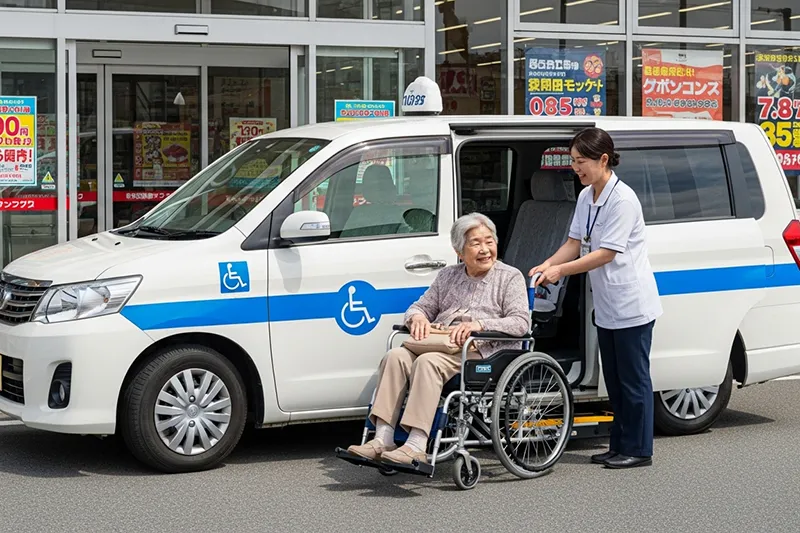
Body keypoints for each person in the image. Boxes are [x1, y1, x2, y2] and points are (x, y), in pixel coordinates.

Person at [346, 213, 531, 466]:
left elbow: (521, 322)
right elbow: (418, 306)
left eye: (489, 241)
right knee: (396, 356)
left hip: (484, 351)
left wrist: (480, 324)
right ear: (459, 251)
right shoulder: (448, 276)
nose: (485, 249)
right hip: (442, 343)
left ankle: (416, 444)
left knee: (428, 362)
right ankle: (383, 437)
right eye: (476, 243)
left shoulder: (509, 277)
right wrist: (417, 319)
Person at [529, 127, 662, 469]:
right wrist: (547, 263)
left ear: (604, 159)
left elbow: (605, 253)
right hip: (606, 304)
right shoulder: (587, 196)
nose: (576, 168)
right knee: (614, 382)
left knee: (633, 380)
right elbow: (574, 242)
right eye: (573, 162)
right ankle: (619, 446)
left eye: (582, 161)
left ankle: (639, 450)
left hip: (631, 304)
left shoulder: (623, 200)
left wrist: (563, 272)